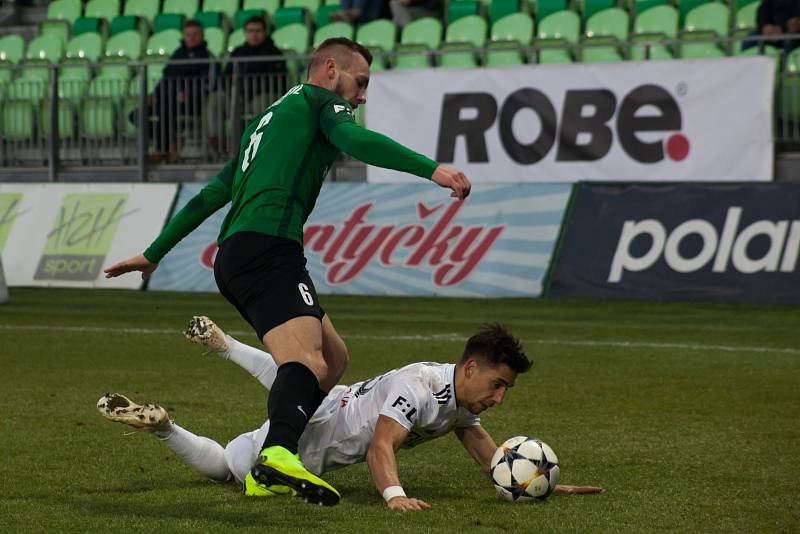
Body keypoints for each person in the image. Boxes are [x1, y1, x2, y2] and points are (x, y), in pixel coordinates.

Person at [104, 37, 471, 506]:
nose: (361, 97)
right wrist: (431, 170)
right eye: (360, 84)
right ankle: (278, 453)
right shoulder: (321, 101)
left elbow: (214, 192)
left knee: (334, 359)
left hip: (248, 252)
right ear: (331, 70)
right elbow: (356, 140)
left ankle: (271, 460)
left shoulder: (265, 119)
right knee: (308, 363)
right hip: (266, 249)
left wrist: (155, 252)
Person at [98, 318, 604, 510]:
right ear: (471, 367)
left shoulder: (456, 397)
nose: (498, 398)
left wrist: (529, 477)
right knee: (227, 468)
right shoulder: (417, 389)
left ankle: (226, 345)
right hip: (314, 439)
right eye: (497, 386)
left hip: (334, 401)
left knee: (295, 377)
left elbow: (474, 438)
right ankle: (165, 426)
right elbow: (381, 446)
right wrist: (395, 497)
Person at [208, 16, 287, 148]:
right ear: (245, 33)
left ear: (265, 32)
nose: (254, 35)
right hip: (238, 96)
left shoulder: (274, 53)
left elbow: (276, 81)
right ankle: (219, 144)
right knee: (216, 100)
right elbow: (225, 76)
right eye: (250, 31)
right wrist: (233, 92)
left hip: (261, 96)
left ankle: (258, 145)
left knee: (261, 102)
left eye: (258, 31)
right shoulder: (238, 52)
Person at [149, 19, 213, 162]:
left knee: (164, 110)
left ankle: (161, 150)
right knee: (136, 115)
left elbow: (209, 84)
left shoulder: (207, 56)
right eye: (188, 34)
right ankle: (172, 140)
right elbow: (166, 77)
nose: (191, 38)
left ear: (202, 36)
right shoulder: (177, 54)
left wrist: (188, 94)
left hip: (193, 103)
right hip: (168, 98)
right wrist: (154, 94)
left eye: (195, 34)